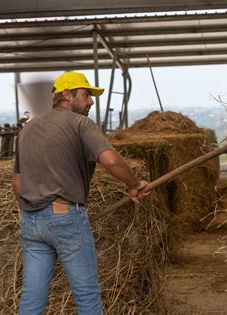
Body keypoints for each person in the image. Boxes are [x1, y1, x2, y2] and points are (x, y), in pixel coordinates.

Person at [12, 71, 149, 315]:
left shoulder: (27, 130)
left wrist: (38, 211)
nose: (91, 102)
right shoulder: (81, 124)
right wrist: (134, 184)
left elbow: (17, 184)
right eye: (86, 95)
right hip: (64, 217)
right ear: (66, 95)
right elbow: (109, 159)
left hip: (30, 222)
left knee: (32, 298)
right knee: (86, 295)